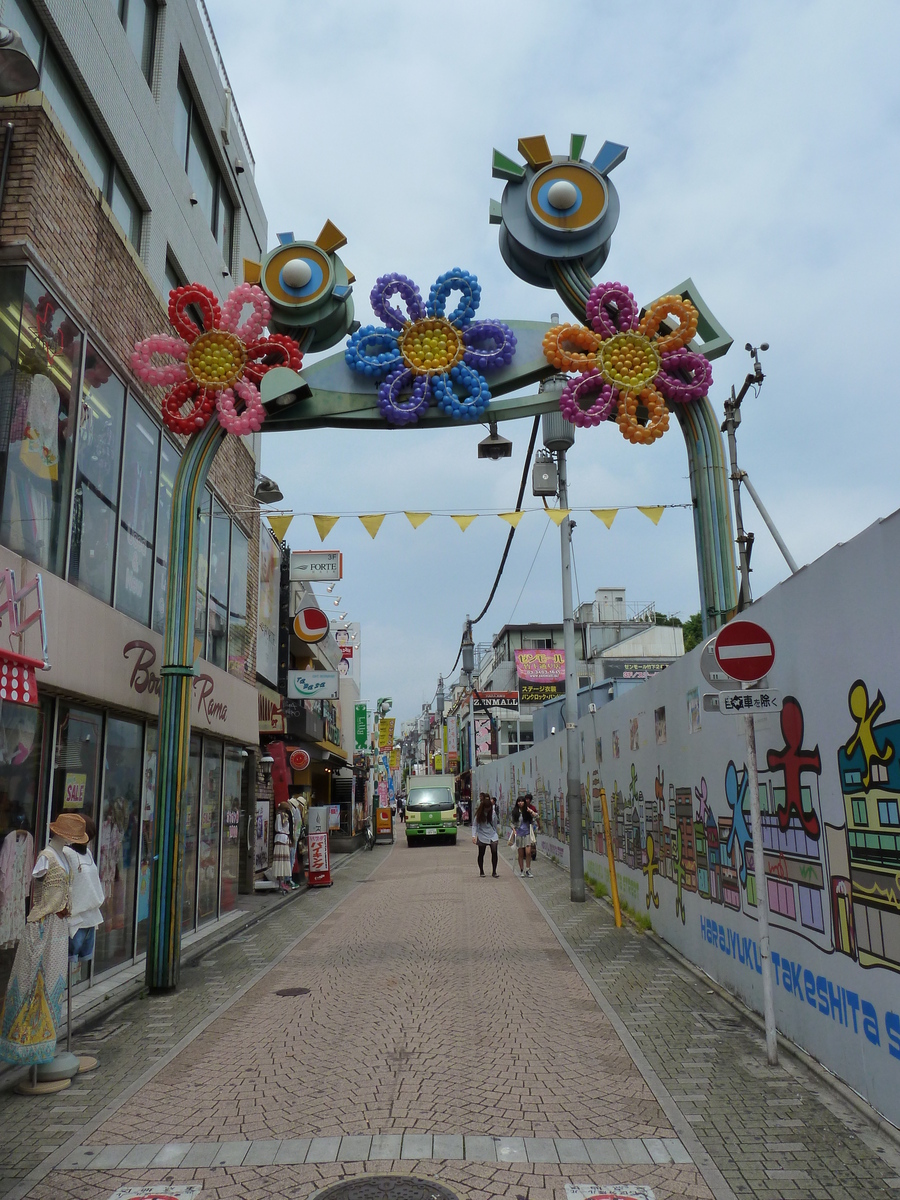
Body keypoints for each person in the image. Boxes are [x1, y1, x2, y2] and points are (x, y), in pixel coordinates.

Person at [63, 815, 104, 972]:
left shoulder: (88, 854)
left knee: (75, 962)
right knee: (67, 962)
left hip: (89, 918)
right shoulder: (67, 853)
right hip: (74, 919)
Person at [472, 793, 499, 877]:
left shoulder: (493, 813)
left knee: (494, 851)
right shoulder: (479, 814)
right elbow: (475, 825)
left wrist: (496, 834)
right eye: (486, 808)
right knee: (481, 853)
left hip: (492, 833)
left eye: (489, 808)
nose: (487, 810)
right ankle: (481, 871)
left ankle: (494, 871)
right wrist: (473, 836)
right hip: (482, 834)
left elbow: (495, 824)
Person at [508, 796, 535, 877]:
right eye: (519, 801)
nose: (520, 803)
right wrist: (513, 829)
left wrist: (531, 811)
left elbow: (536, 816)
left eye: (522, 801)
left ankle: (528, 869)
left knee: (528, 852)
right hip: (519, 834)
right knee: (520, 854)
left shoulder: (527, 811)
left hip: (527, 834)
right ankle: (522, 870)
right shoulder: (515, 812)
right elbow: (511, 822)